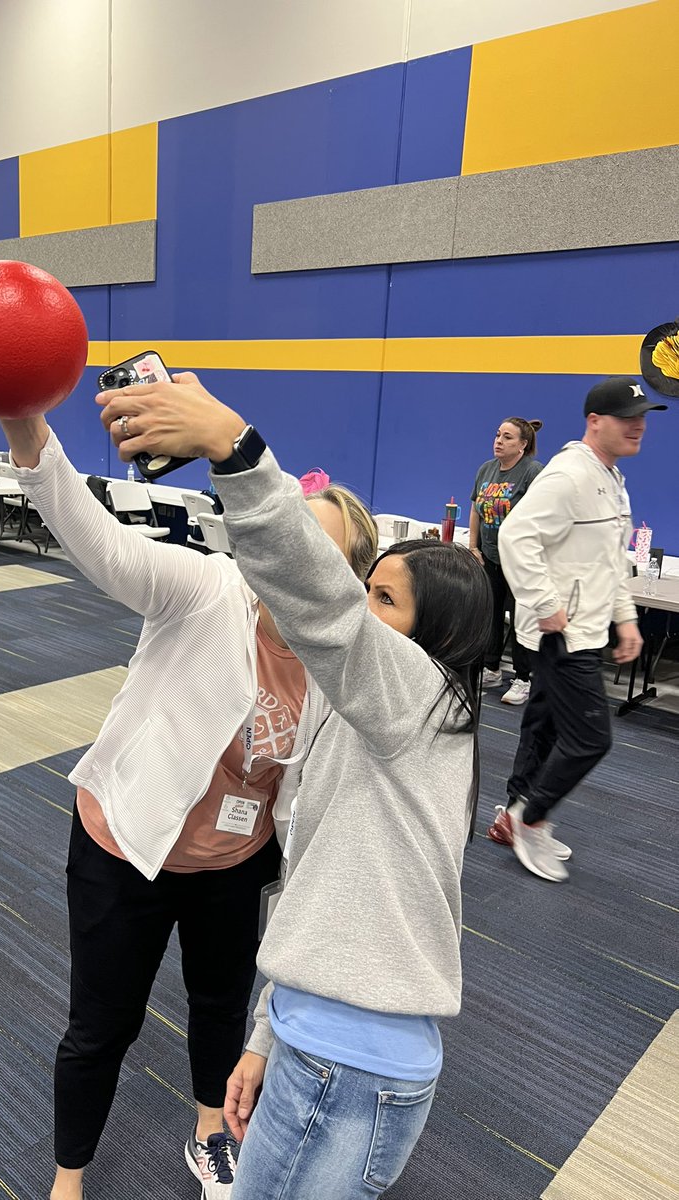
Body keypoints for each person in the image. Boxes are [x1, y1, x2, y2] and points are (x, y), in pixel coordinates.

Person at [97, 372, 493, 1200]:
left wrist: (233, 449)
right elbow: (317, 889)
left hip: (348, 1066)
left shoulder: (418, 697)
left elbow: (324, 609)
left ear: (436, 634)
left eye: (382, 598)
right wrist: (264, 1037)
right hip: (317, 1039)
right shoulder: (365, 724)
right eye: (366, 589)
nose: (360, 605)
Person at [0, 413, 378, 1200]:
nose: (289, 556)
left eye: (317, 550)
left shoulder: (336, 664)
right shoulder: (208, 589)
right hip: (127, 845)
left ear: (343, 577)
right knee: (103, 1023)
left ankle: (211, 1133)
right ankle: (69, 1177)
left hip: (233, 864)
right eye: (286, 535)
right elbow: (105, 546)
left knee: (220, 1002)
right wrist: (28, 432)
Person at [491, 377, 664, 882]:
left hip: (584, 626)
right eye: (627, 418)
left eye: (642, 417)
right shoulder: (568, 475)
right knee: (590, 737)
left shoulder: (610, 479)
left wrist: (626, 618)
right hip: (564, 633)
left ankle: (512, 812)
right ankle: (531, 818)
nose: (638, 426)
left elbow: (609, 561)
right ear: (595, 422)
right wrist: (546, 604)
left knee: (544, 726)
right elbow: (516, 537)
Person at [469, 417, 544, 706]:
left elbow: (543, 515)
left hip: (520, 561)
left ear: (523, 444)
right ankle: (491, 669)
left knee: (521, 619)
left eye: (507, 437)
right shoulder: (486, 469)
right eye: (498, 435)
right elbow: (476, 508)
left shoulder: (533, 472)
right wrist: (473, 546)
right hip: (489, 555)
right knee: (491, 613)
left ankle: (523, 678)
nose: (499, 441)